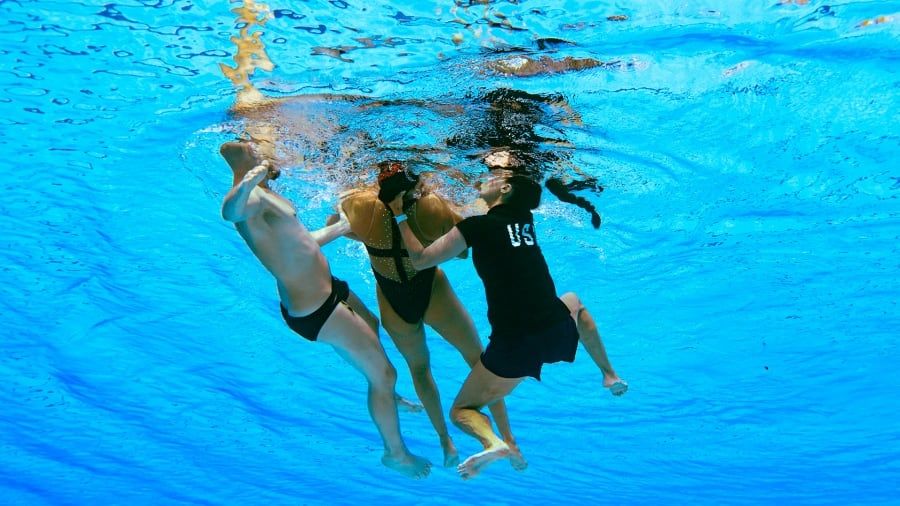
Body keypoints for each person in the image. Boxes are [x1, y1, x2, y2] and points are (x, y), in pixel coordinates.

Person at [385, 154, 628, 479]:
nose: (481, 179)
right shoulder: (524, 221)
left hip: (513, 349)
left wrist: (400, 216)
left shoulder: (476, 227)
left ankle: (492, 443)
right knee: (574, 302)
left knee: (460, 412)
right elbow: (510, 200)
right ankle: (609, 374)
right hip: (554, 331)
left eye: (490, 176)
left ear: (506, 187)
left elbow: (419, 260)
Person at [219, 141, 431, 479]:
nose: (262, 150)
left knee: (372, 323)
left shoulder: (263, 192)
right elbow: (230, 212)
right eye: (254, 149)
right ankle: (395, 453)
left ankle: (386, 393)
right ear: (245, 158)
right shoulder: (250, 197)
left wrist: (342, 227)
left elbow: (301, 242)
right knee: (385, 374)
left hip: (327, 289)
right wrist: (246, 181)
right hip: (316, 309)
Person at [338, 160, 526, 470]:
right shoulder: (430, 208)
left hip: (394, 300)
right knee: (479, 358)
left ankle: (445, 441)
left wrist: (370, 235)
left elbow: (341, 226)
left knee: (420, 370)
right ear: (414, 186)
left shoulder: (363, 209)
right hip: (431, 289)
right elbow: (463, 251)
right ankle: (506, 438)